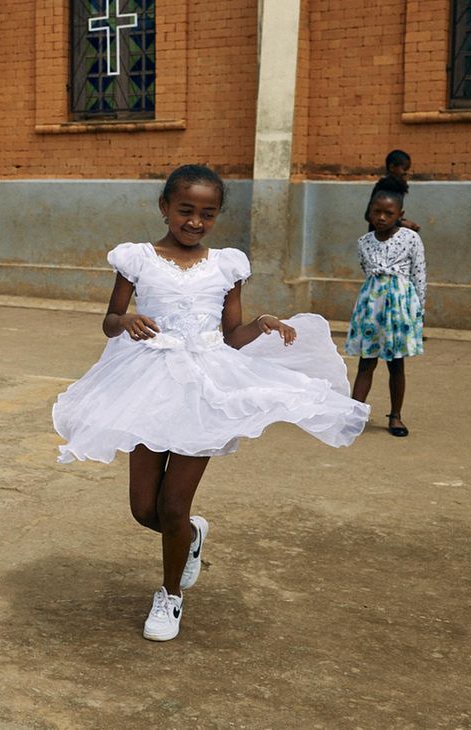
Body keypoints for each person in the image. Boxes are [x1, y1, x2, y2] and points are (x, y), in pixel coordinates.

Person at [52, 164, 368, 642]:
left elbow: (230, 335)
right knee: (144, 509)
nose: (195, 221)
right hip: (148, 383)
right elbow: (110, 320)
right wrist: (128, 320)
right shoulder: (137, 258)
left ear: (217, 216)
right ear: (165, 208)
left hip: (204, 388)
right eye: (185, 210)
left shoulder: (227, 265)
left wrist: (261, 322)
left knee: (173, 506)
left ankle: (170, 595)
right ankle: (192, 537)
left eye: (207, 213)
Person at [346, 185, 426, 438]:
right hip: (371, 307)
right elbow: (366, 271)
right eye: (376, 212)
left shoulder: (411, 239)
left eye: (388, 213)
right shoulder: (364, 242)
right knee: (366, 363)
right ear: (369, 213)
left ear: (399, 214)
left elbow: (419, 275)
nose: (381, 217)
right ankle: (354, 414)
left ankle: (396, 416)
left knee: (396, 364)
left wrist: (418, 313)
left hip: (400, 308)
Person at [365, 150, 419, 233]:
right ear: (392, 167)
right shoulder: (384, 187)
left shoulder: (399, 186)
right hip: (379, 236)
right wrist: (401, 223)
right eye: (404, 169)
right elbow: (369, 215)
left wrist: (404, 223)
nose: (406, 173)